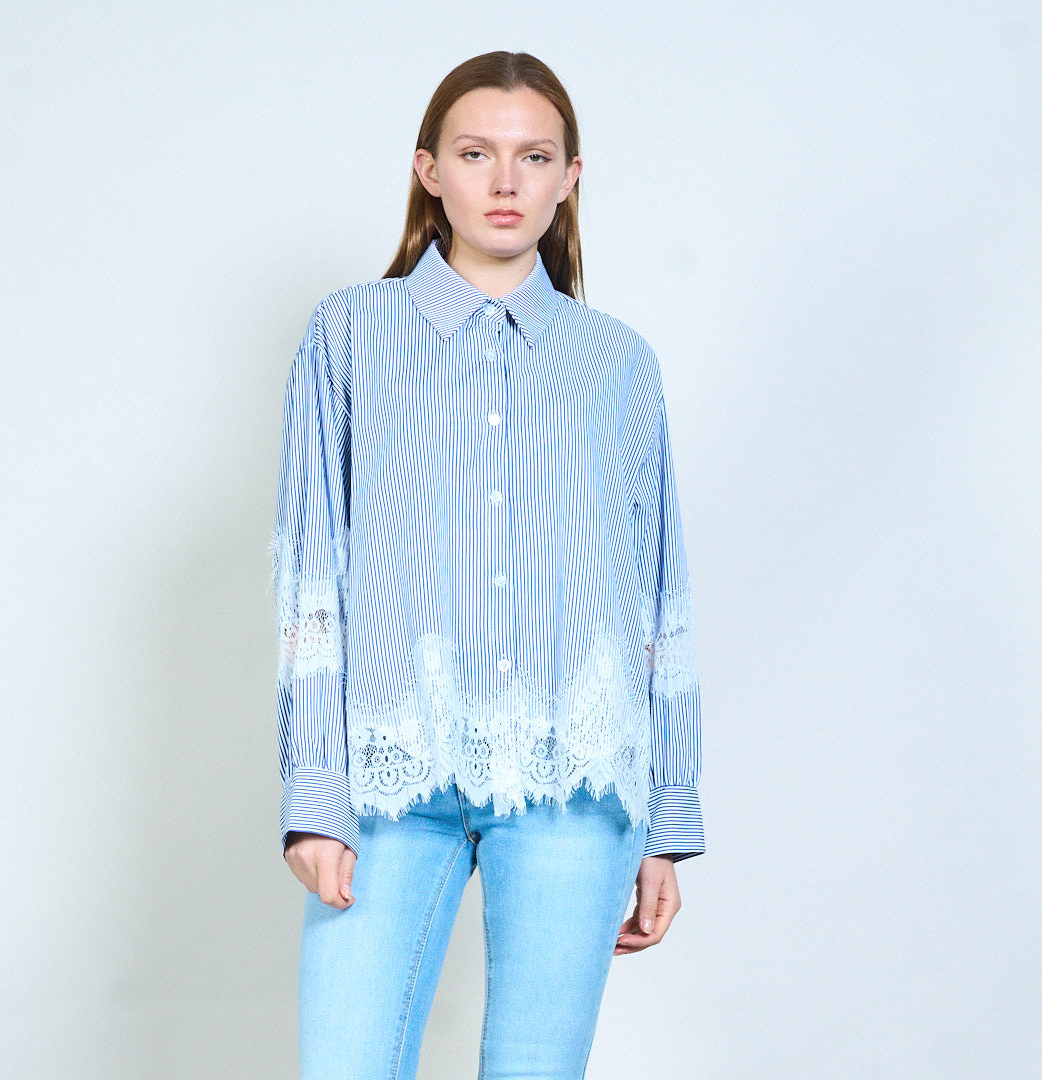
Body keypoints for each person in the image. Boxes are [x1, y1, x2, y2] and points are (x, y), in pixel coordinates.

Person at [271, 49, 704, 1080]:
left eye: (534, 156)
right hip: (390, 778)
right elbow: (309, 575)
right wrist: (314, 795)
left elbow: (659, 594)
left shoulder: (617, 363)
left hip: (573, 784)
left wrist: (668, 819)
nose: (506, 182)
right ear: (430, 170)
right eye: (476, 154)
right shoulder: (348, 335)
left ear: (570, 177)